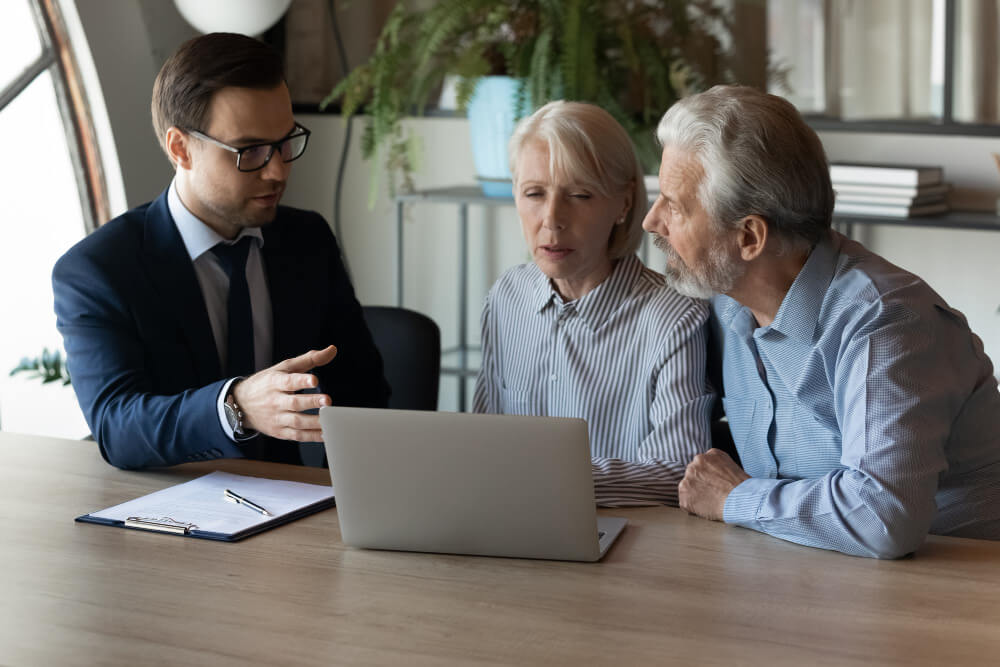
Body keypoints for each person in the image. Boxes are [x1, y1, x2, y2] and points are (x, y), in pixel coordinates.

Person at [643, 84, 1000, 558]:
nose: (651, 221)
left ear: (750, 237)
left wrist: (735, 498)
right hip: (808, 574)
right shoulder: (728, 303)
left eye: (676, 206)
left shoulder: (887, 323)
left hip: (955, 588)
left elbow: (881, 516)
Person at [53, 33, 388, 470]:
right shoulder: (99, 270)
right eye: (250, 151)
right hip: (166, 516)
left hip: (293, 509)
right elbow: (117, 426)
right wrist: (235, 405)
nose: (277, 169)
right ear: (180, 149)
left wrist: (344, 496)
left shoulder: (307, 240)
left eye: (285, 141)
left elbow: (363, 392)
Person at [474, 100, 714, 506]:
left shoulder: (674, 318)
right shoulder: (506, 298)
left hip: (626, 545)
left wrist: (546, 479)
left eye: (580, 195)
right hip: (506, 527)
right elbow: (481, 445)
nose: (551, 219)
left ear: (623, 203)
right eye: (534, 193)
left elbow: (679, 470)